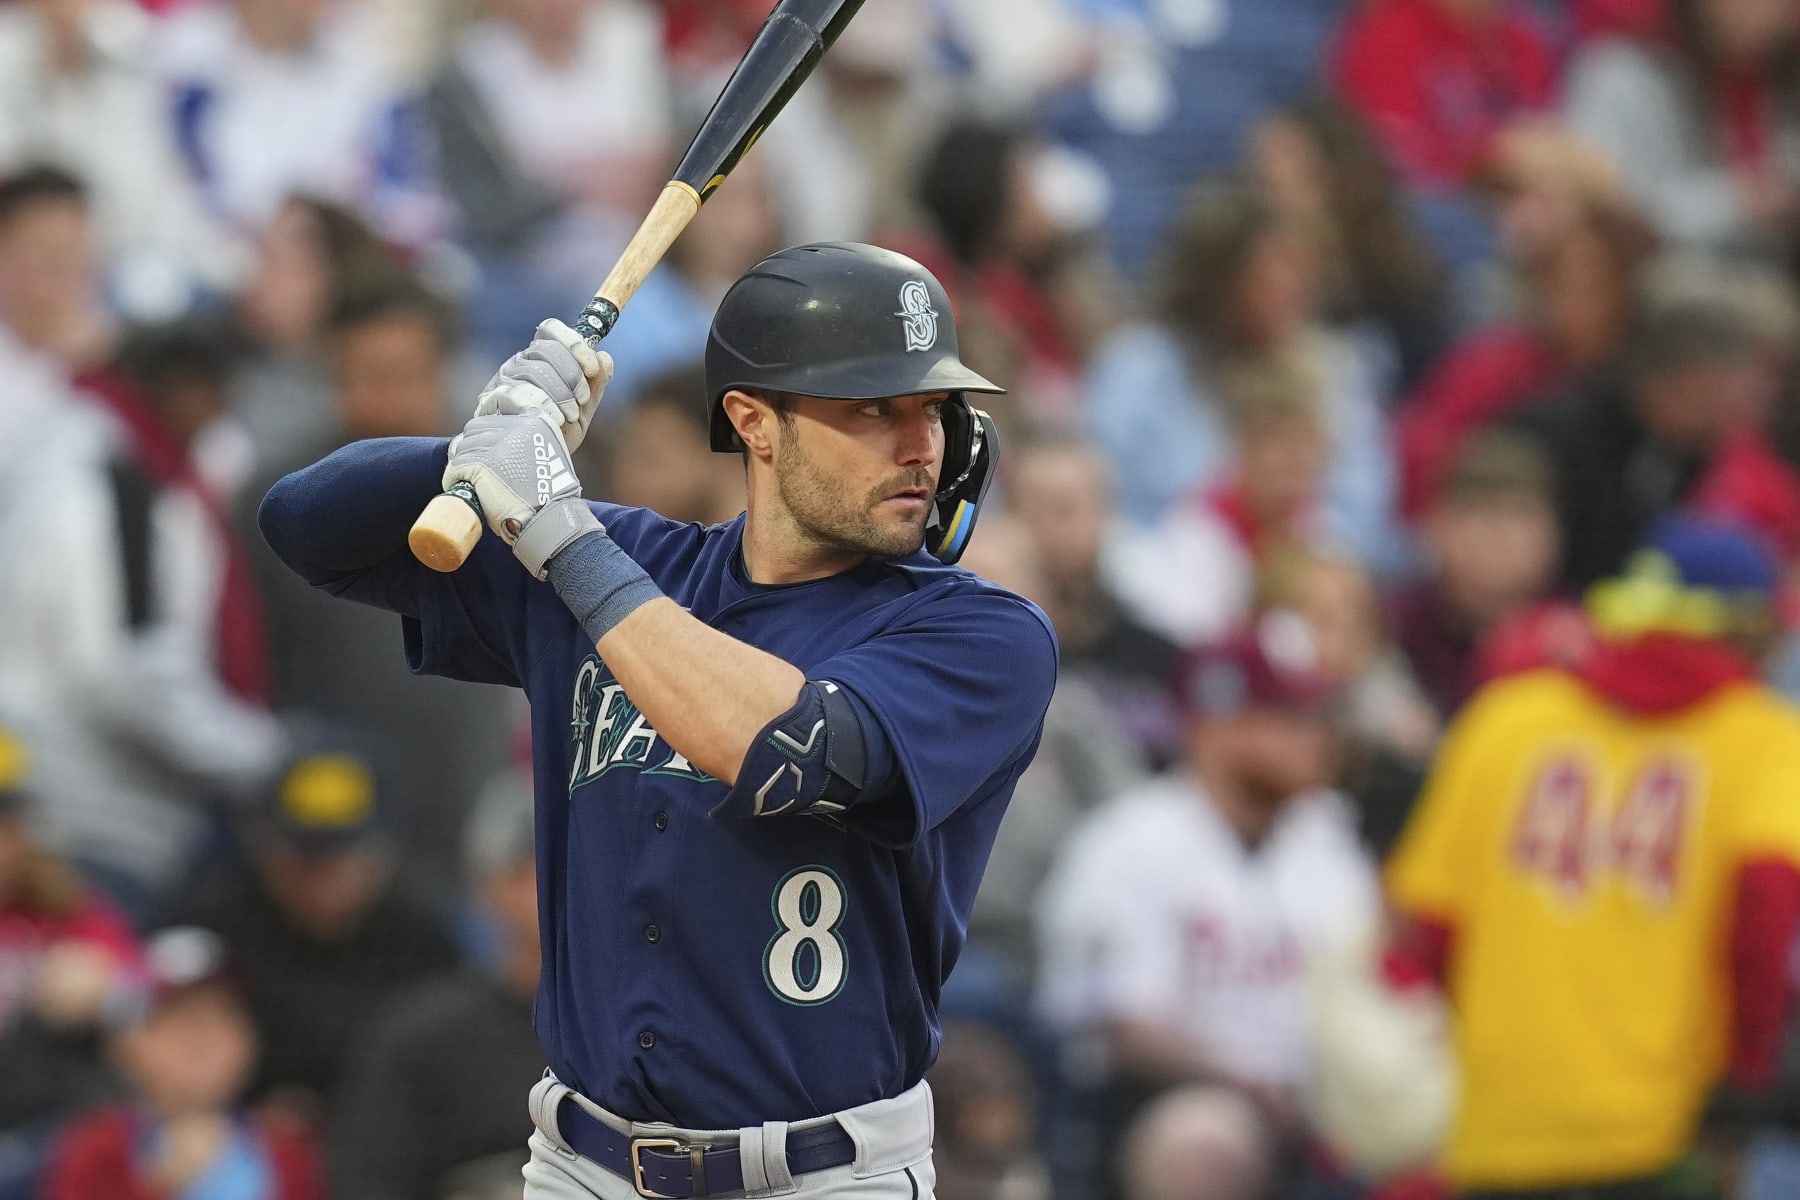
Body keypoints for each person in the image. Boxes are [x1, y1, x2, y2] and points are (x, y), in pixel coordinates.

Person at [258, 241, 1059, 1199]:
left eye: (932, 408)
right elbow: (305, 526)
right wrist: (484, 446)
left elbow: (789, 751)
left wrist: (560, 530)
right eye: (872, 409)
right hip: (583, 1162)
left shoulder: (981, 631)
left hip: (823, 1173)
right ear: (754, 423)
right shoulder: (633, 555)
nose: (920, 444)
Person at [1386, 514, 1800, 1197]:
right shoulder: (1766, 742)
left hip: (1498, 1133)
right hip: (1661, 1137)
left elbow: (1425, 931)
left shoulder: (1506, 718)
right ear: (1750, 630)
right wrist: (1745, 1081)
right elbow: (1764, 916)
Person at [1036, 610, 1381, 1200]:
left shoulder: (1328, 839)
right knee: (1202, 1144)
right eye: (1288, 718)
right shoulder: (1134, 840)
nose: (1318, 737)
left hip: (1318, 1102)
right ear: (1215, 729)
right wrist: (1249, 1086)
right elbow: (1127, 1028)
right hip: (1171, 1098)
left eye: (1317, 716)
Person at [165, 724, 460, 1123]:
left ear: (385, 851)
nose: (320, 877)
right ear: (262, 847)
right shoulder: (214, 923)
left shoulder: (428, 938)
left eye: (340, 856)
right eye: (302, 855)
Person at [331, 765, 548, 1200]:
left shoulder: (645, 1035)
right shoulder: (419, 1037)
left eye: (587, 864)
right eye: (532, 867)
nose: (563, 885)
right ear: (487, 887)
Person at [40, 925, 327, 1200]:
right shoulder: (93, 1149)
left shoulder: (287, 1153)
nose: (202, 1040)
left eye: (224, 1017)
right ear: (127, 1044)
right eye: (180, 1019)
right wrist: (159, 1188)